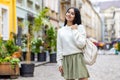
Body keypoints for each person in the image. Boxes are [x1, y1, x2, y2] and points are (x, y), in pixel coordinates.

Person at [57, 7, 90, 80]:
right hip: (66, 59)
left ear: (76, 16)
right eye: (68, 12)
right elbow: (59, 48)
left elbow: (81, 44)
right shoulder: (61, 31)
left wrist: (74, 30)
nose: (69, 14)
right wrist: (59, 63)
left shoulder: (80, 28)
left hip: (78, 57)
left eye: (72, 14)